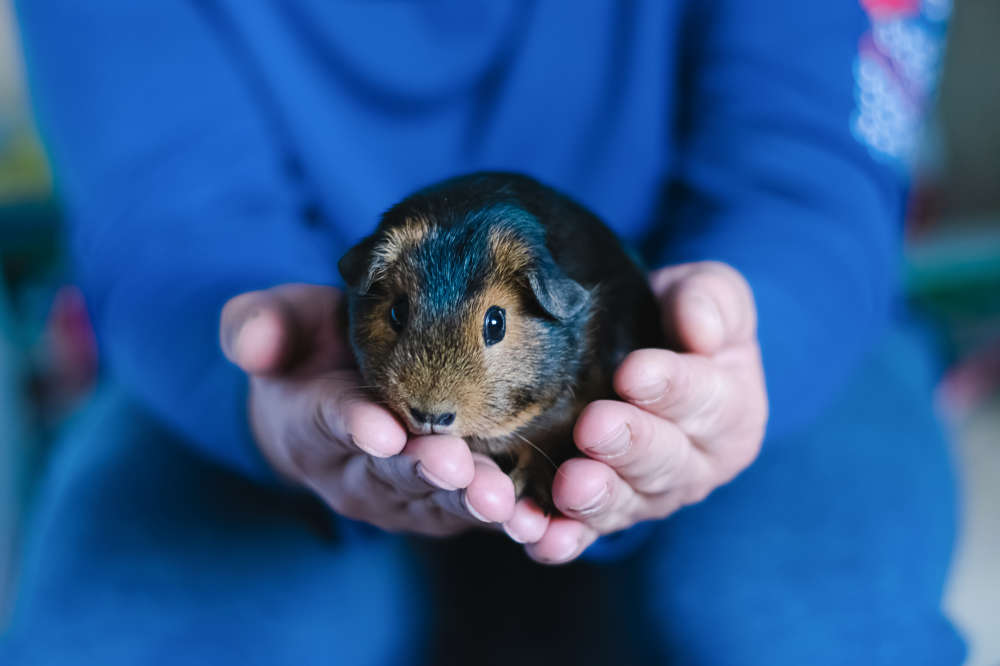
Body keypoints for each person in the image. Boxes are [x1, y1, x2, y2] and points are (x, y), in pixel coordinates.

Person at [2, 1, 964, 664]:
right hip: (272, 374)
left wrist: (745, 343)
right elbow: (162, 212)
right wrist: (260, 386)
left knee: (806, 622)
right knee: (132, 630)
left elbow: (811, 164)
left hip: (759, 331)